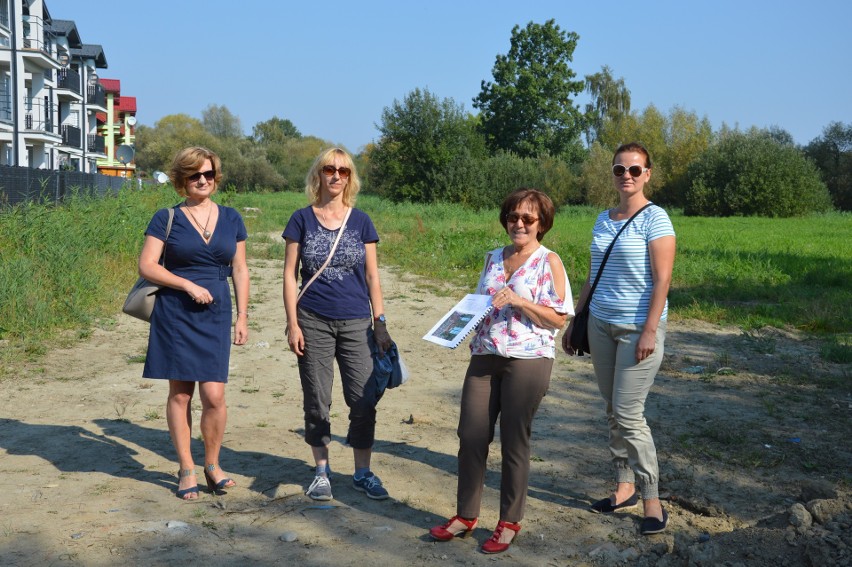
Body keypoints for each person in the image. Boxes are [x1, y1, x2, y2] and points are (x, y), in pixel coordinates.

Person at [430, 188, 572, 554]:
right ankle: (465, 515)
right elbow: (481, 302)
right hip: (485, 355)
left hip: (528, 360)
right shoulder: (493, 257)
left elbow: (558, 318)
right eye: (513, 217)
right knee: (472, 435)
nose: (519, 224)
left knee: (514, 439)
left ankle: (509, 521)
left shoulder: (548, 261)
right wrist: (459, 321)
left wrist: (521, 301)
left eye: (528, 219)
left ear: (542, 224)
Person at [562, 142, 676, 535]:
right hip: (601, 324)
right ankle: (624, 485)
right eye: (619, 169)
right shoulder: (602, 218)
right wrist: (577, 319)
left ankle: (651, 498)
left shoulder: (655, 219)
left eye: (634, 169)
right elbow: (593, 276)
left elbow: (663, 280)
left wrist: (649, 330)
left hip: (637, 330)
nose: (626, 175)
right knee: (613, 409)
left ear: (647, 175)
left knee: (629, 413)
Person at [282, 147, 393, 502]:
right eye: (329, 169)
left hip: (357, 321)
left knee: (363, 399)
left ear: (350, 179)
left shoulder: (362, 222)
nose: (335, 176)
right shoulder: (301, 219)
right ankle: (321, 472)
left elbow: (373, 277)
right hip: (312, 319)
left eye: (343, 171)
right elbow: (288, 275)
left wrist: (381, 322)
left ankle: (362, 472)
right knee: (317, 399)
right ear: (318, 174)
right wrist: (292, 323)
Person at [138, 146, 249, 500]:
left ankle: (212, 465)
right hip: (176, 310)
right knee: (181, 393)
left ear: (216, 177)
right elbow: (148, 266)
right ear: (181, 180)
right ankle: (186, 467)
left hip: (216, 310)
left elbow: (241, 269)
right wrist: (186, 284)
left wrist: (243, 316)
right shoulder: (165, 217)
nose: (203, 180)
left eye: (209, 174)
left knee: (214, 395)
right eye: (194, 175)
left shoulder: (232, 218)